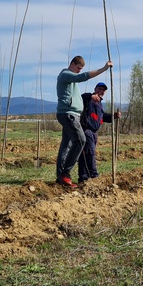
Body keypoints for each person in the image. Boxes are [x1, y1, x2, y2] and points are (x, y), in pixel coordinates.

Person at [55, 55, 113, 188]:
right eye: (79, 68)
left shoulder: (71, 79)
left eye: (81, 69)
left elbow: (102, 116)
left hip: (71, 114)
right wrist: (104, 69)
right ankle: (65, 173)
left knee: (66, 145)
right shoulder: (66, 74)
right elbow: (82, 78)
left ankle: (61, 177)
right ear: (73, 64)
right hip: (68, 114)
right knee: (81, 140)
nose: (79, 71)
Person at [77, 81, 120, 184]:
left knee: (85, 155)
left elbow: (103, 116)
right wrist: (92, 96)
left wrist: (114, 116)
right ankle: (94, 176)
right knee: (90, 153)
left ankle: (83, 178)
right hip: (86, 130)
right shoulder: (88, 99)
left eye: (103, 90)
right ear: (95, 89)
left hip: (94, 133)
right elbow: (82, 96)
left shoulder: (100, 104)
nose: (101, 91)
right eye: (99, 89)